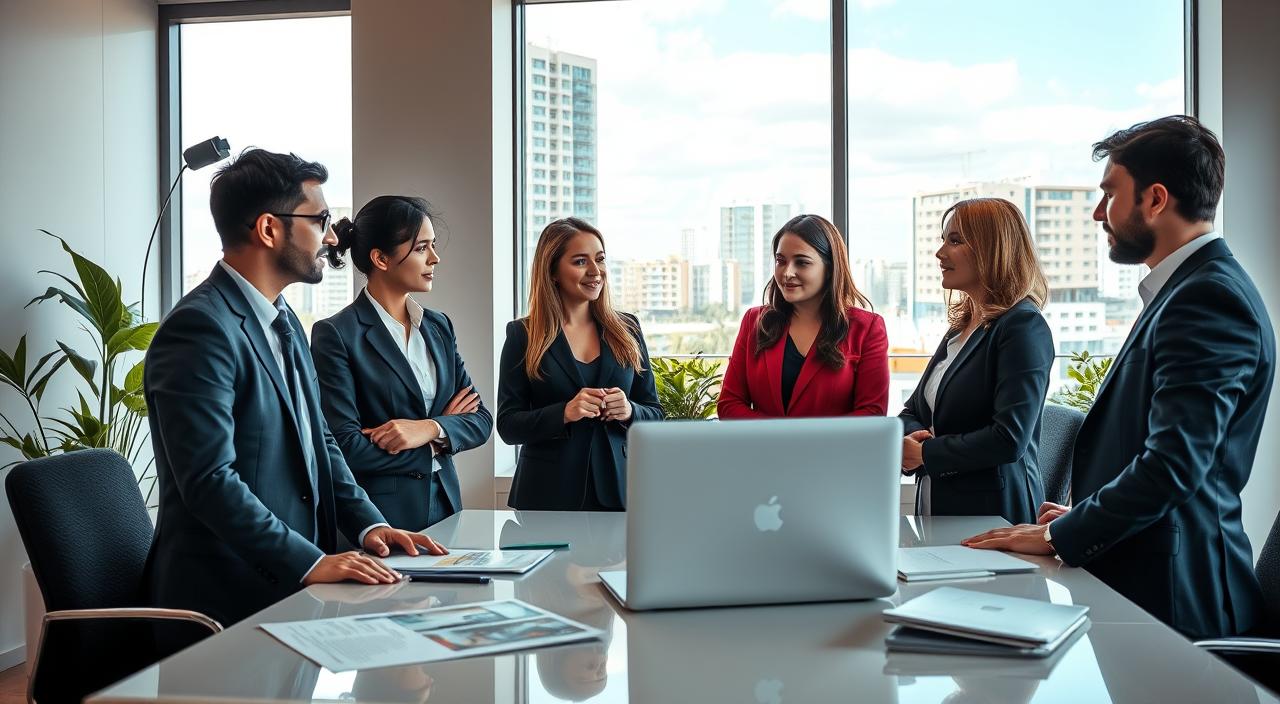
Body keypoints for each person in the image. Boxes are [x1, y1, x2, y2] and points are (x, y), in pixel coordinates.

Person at [964, 115, 1275, 640]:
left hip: (1178, 599)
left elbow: (1174, 466)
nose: (1097, 213)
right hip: (1149, 577)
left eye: (1110, 194)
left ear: (1155, 200)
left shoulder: (1208, 299)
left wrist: (1067, 532)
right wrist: (1085, 512)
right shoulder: (1184, 291)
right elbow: (1151, 443)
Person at [143, 149, 446, 630]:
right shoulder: (200, 329)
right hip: (225, 601)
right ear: (269, 229)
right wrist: (309, 561)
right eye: (319, 219)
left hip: (289, 589)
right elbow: (210, 481)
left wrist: (370, 525)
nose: (331, 236)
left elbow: (319, 441)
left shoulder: (283, 319)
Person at [311, 196, 492, 531]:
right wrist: (437, 443)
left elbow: (481, 420)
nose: (435, 258)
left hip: (449, 505)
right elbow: (344, 445)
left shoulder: (438, 327)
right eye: (422, 247)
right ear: (381, 258)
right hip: (381, 517)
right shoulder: (336, 334)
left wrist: (428, 429)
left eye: (432, 245)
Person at [898, 198, 1054, 524]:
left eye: (954, 241)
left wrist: (925, 453)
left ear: (992, 248)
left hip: (993, 515)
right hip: (939, 506)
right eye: (943, 240)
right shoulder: (962, 326)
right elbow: (912, 411)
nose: (940, 253)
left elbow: (1009, 438)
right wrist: (911, 440)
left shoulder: (1023, 326)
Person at [497, 217, 663, 510]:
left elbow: (655, 415)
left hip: (620, 493)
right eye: (580, 261)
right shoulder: (522, 335)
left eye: (599, 259)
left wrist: (629, 410)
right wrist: (564, 412)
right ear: (552, 272)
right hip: (546, 496)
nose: (595, 271)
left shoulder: (628, 329)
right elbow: (509, 426)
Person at [718, 214, 889, 418]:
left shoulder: (866, 329)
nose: (787, 272)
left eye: (802, 262)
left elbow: (871, 413)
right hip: (764, 449)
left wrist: (802, 442)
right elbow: (729, 404)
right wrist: (783, 439)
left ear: (829, 268)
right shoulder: (754, 322)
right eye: (781, 261)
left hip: (834, 451)